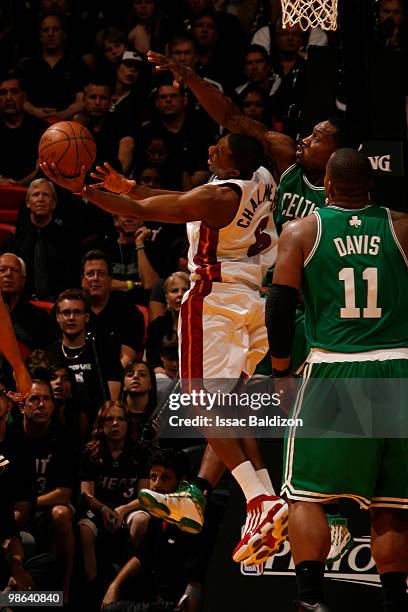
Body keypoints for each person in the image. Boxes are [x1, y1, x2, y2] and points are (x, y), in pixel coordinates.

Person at [40, 132, 288, 565]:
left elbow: (140, 212)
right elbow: (174, 198)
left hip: (215, 301)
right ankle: (260, 497)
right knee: (225, 409)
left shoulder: (217, 198)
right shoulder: (263, 177)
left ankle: (258, 498)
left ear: (231, 168)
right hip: (254, 301)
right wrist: (129, 186)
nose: (210, 149)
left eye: (219, 150)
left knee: (198, 400)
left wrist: (80, 189)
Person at [267, 148, 408, 612]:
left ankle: (311, 598)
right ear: (371, 185)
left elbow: (281, 307)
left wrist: (283, 371)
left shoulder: (302, 230)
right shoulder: (402, 227)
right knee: (392, 502)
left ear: (326, 185)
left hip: (334, 367)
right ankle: (393, 601)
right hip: (397, 367)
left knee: (305, 494)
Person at [101, 448, 223, 612]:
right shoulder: (158, 514)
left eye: (165, 478)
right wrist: (114, 586)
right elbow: (143, 555)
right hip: (156, 597)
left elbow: (196, 579)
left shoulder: (198, 518)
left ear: (182, 482)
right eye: (153, 477)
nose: (157, 484)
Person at [14, 378, 77, 603]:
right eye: (34, 399)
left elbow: (64, 493)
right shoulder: (10, 437)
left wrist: (28, 503)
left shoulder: (63, 438)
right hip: (15, 509)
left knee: (63, 512)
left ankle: (64, 591)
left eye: (46, 399)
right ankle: (13, 597)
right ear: (22, 406)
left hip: (46, 509)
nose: (41, 404)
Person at [78, 400, 150, 593]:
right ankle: (92, 588)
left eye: (120, 419)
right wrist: (102, 509)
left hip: (128, 509)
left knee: (142, 520)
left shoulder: (140, 452)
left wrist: (123, 509)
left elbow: (145, 496)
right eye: (109, 419)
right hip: (99, 509)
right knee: (84, 529)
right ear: (101, 425)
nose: (115, 423)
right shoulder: (90, 452)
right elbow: (86, 494)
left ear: (128, 423)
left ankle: (125, 581)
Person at [47, 288, 123, 422]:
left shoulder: (102, 350)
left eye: (77, 312)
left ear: (87, 317)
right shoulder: (50, 354)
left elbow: (111, 401)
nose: (71, 318)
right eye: (66, 312)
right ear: (58, 318)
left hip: (98, 423)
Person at [2, 178, 78, 300]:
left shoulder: (69, 241)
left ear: (54, 203)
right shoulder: (14, 242)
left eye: (46, 195)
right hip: (22, 305)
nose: (41, 199)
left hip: (61, 306)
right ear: (27, 202)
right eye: (36, 195)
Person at [81, 250, 145, 368]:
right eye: (90, 274)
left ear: (110, 279)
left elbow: (127, 358)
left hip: (114, 375)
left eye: (101, 273)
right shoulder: (71, 308)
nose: (95, 278)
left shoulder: (128, 310)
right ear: (82, 279)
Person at [0, 253, 52, 355]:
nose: (8, 274)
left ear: (23, 280)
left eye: (14, 270)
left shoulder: (39, 316)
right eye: (2, 270)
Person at [0, 74, 45, 186]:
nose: (8, 97)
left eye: (14, 91)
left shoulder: (40, 128)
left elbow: (41, 169)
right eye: (3, 93)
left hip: (32, 191)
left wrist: (17, 185)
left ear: (24, 96)